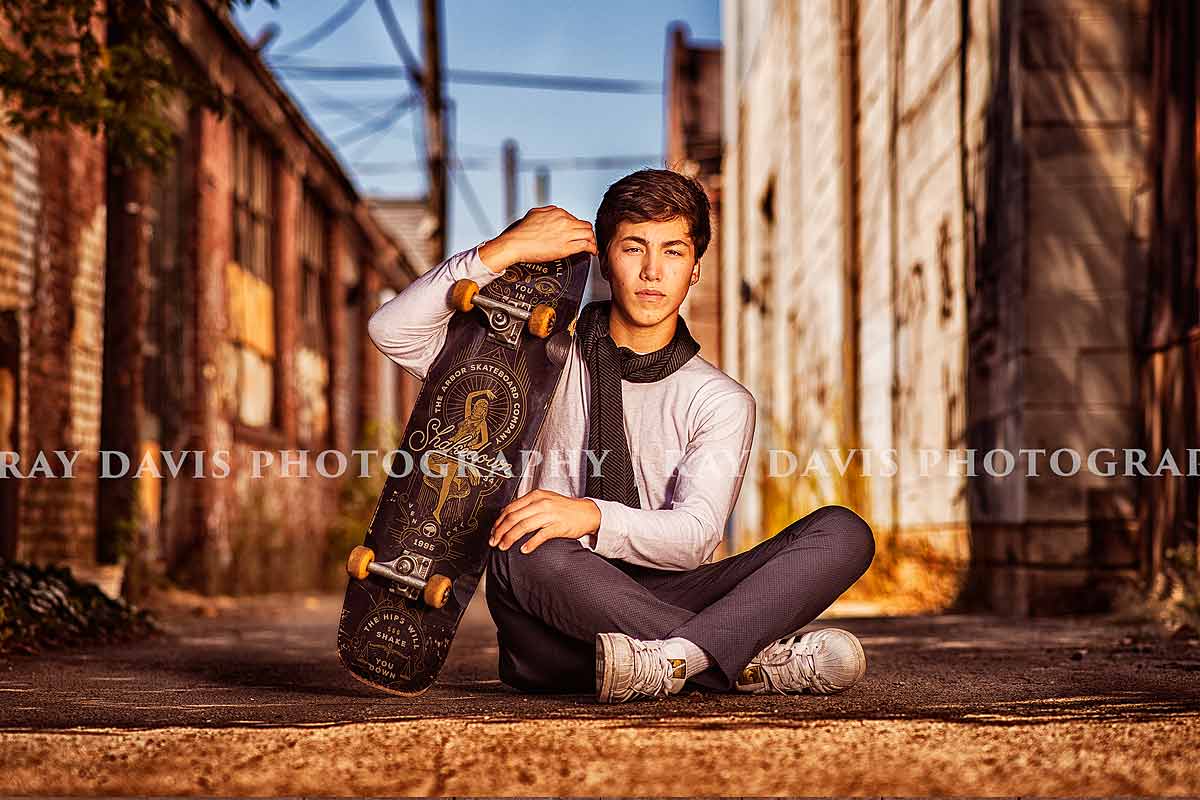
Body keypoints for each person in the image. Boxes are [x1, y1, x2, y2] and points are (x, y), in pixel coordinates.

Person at [367, 169, 876, 702]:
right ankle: (735, 657)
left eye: (674, 252)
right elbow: (391, 330)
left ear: (695, 268)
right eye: (634, 248)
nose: (652, 272)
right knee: (524, 543)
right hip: (551, 614)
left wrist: (591, 515)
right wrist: (503, 248)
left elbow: (694, 538)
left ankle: (675, 661)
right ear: (606, 261)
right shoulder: (532, 361)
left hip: (668, 592)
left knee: (842, 531)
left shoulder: (719, 400)